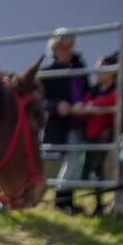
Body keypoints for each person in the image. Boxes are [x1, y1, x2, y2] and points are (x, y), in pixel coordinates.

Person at [41, 29, 90, 215]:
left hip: (80, 122)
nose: (68, 50)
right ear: (55, 48)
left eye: (71, 46)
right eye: (64, 47)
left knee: (75, 162)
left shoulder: (79, 68)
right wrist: (56, 105)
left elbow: (87, 90)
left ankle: (67, 200)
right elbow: (41, 101)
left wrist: (84, 103)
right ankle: (61, 200)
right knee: (72, 160)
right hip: (61, 126)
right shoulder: (47, 73)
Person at [77, 53, 120, 216]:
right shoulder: (94, 90)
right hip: (91, 136)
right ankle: (99, 204)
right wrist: (88, 107)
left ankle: (106, 204)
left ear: (112, 72)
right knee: (95, 171)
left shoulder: (116, 89)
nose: (98, 71)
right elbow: (84, 109)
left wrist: (92, 105)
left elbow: (111, 101)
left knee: (100, 169)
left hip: (107, 137)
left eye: (102, 68)